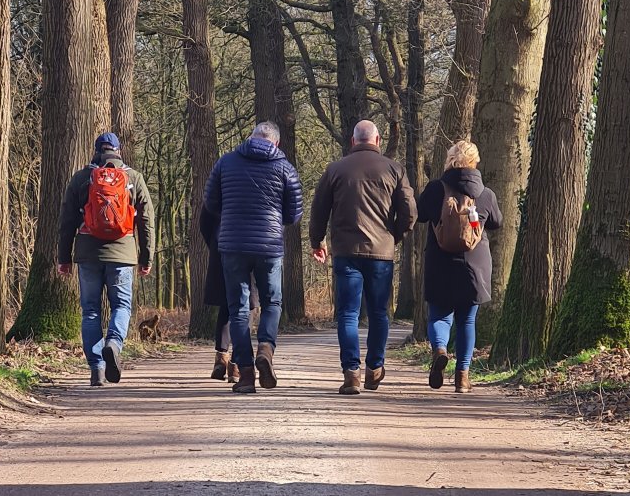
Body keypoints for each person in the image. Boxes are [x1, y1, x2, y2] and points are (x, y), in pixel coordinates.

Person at [310, 120, 417, 395]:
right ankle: (374, 368)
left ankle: (351, 372)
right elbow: (410, 213)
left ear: (353, 141)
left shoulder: (335, 169)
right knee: (379, 313)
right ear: (378, 140)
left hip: (346, 252)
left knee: (348, 314)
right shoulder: (395, 169)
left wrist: (317, 241)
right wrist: (395, 236)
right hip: (381, 252)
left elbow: (319, 209)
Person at [204, 121, 302, 394]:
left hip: (232, 245)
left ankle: (246, 375)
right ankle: (266, 350)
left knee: (238, 308)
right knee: (272, 302)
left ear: (252, 137)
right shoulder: (285, 168)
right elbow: (294, 214)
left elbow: (210, 203)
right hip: (269, 246)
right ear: (277, 143)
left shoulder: (225, 163)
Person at [57, 132, 155, 387]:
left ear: (96, 150)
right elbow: (146, 221)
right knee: (121, 306)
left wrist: (63, 258)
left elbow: (67, 221)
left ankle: (97, 369)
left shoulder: (82, 178)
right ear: (119, 151)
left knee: (90, 311)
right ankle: (113, 343)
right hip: (122, 253)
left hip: (88, 253)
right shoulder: (133, 178)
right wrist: (146, 257)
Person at [417, 140, 502, 393]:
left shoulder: (435, 189)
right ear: (475, 162)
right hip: (473, 266)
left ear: (450, 160)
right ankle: (462, 378)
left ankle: (440, 349)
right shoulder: (485, 193)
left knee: (439, 316)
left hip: (439, 262)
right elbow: (496, 222)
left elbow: (420, 214)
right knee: (467, 321)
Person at [200, 206, 258, 384]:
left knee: (227, 303)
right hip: (252, 245)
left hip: (223, 245)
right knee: (247, 305)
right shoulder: (258, 181)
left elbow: (205, 219)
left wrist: (215, 243)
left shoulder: (220, 180)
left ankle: (221, 357)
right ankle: (236, 363)